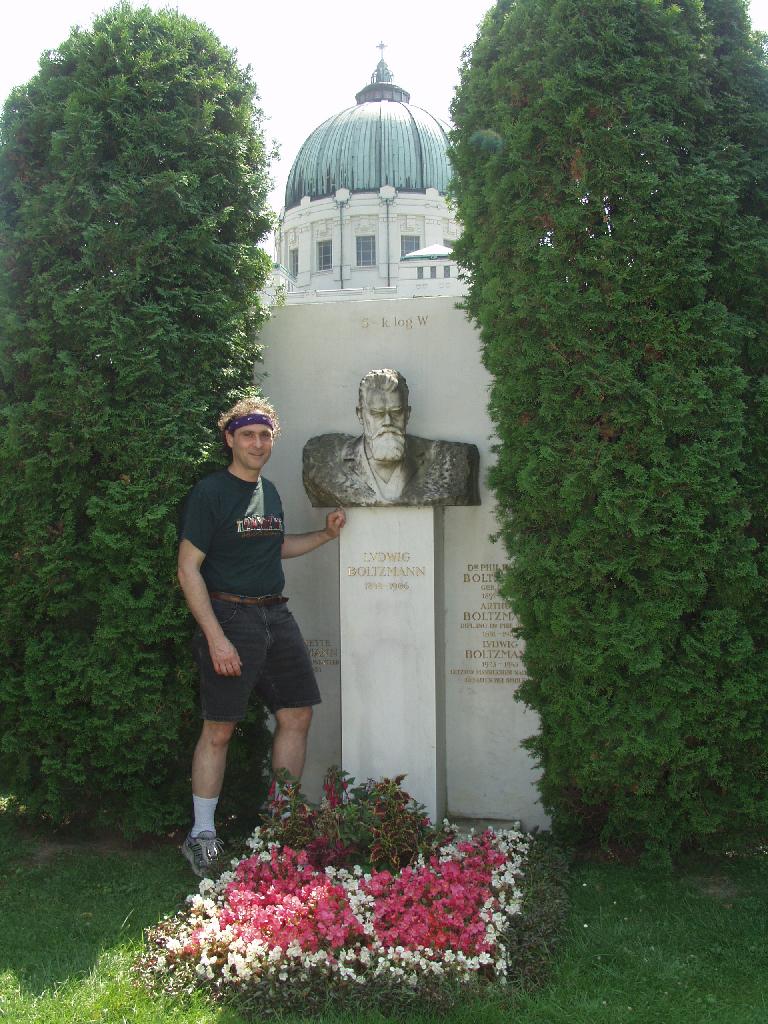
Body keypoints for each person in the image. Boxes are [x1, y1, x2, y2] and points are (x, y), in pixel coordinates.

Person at [177, 396, 345, 877]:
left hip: (276, 616)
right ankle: (202, 834)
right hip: (230, 618)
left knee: (297, 716)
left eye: (265, 435)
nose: (258, 443)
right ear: (230, 439)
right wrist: (215, 637)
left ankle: (283, 823)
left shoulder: (268, 491)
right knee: (220, 728)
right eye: (248, 434)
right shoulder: (210, 494)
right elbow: (189, 569)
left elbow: (276, 547)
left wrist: (325, 536)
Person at [302, 368, 480, 507]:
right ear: (360, 414)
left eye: (396, 412)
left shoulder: (446, 460)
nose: (387, 422)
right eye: (377, 413)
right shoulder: (326, 463)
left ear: (407, 414)